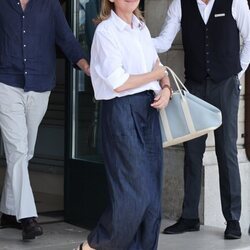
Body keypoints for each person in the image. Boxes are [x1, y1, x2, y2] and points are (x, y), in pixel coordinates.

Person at [74, 0, 172, 249]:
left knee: (151, 198)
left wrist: (167, 88)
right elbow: (119, 82)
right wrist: (157, 76)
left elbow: (158, 67)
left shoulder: (141, 28)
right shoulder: (106, 32)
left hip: (149, 111)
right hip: (122, 112)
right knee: (133, 194)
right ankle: (93, 246)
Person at [153, 0, 250, 240]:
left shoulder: (235, 2)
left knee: (226, 151)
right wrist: (135, 39)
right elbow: (165, 41)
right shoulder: (180, 4)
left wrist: (236, 75)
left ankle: (233, 219)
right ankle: (189, 217)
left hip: (225, 86)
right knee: (192, 151)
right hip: (194, 87)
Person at [0, 0, 90, 241]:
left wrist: (86, 65)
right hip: (6, 83)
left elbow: (65, 38)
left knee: (25, 152)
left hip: (40, 85)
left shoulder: (49, 4)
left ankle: (9, 210)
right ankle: (28, 218)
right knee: (18, 150)